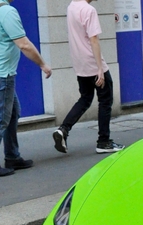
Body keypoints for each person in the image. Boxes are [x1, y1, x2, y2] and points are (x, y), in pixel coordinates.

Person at [0, 0, 51, 178]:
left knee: (13, 112)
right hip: (1, 75)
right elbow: (24, 44)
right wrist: (43, 64)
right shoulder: (7, 12)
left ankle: (12, 156)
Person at [53, 0, 124, 154]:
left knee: (85, 98)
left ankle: (63, 129)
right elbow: (93, 39)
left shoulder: (71, 6)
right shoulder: (88, 10)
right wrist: (100, 69)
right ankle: (103, 141)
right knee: (105, 101)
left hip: (80, 63)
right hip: (93, 63)